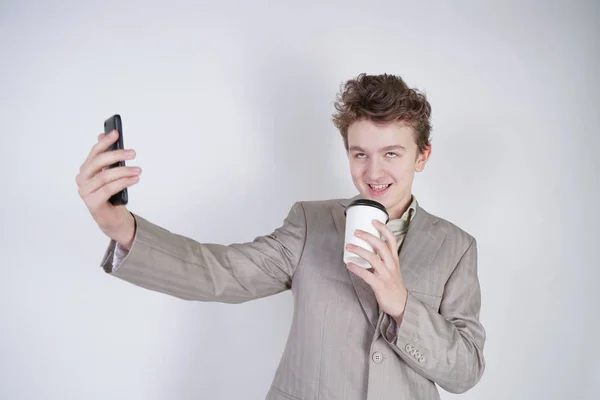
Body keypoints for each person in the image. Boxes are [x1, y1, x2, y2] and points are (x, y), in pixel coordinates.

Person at [76, 73, 486, 400]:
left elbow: (464, 371)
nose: (374, 172)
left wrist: (401, 305)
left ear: (423, 156)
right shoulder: (312, 222)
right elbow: (220, 272)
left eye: (392, 154)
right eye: (360, 153)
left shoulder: (455, 247)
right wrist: (120, 227)